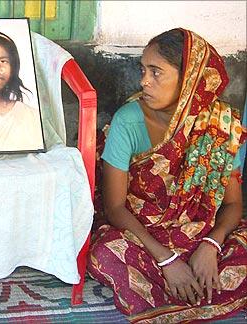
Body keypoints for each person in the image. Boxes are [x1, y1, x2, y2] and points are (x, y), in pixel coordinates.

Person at [87, 28, 246, 322]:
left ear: (189, 82)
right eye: (143, 70)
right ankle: (191, 289)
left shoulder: (221, 126)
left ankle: (191, 285)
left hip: (198, 231)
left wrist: (211, 245)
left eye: (156, 72)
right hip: (142, 232)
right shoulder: (128, 120)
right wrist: (167, 258)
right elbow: (115, 207)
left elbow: (233, 205)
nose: (143, 81)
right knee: (107, 252)